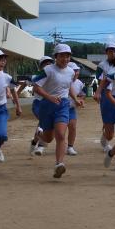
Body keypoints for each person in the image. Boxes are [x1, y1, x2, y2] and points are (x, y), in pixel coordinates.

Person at [31, 43, 80, 178]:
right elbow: (36, 87)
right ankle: (39, 134)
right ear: (56, 57)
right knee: (48, 138)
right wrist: (49, 97)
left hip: (62, 105)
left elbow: (68, 87)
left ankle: (59, 164)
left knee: (60, 134)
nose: (65, 59)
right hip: (46, 105)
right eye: (62, 56)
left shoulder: (70, 72)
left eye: (68, 56)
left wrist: (75, 99)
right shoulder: (48, 70)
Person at [96, 42, 115, 152]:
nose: (113, 53)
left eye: (114, 51)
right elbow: (100, 81)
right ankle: (106, 138)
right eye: (110, 51)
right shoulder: (102, 65)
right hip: (107, 96)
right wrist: (99, 93)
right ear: (106, 52)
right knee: (110, 131)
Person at [30, 56, 54, 156]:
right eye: (45, 63)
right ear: (41, 66)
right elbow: (24, 84)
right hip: (38, 104)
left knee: (42, 124)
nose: (48, 64)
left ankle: (34, 142)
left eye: (50, 62)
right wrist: (17, 94)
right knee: (44, 123)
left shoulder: (54, 76)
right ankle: (40, 146)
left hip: (50, 103)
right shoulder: (35, 76)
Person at [66, 62, 86, 156]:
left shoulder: (79, 83)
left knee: (72, 127)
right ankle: (40, 143)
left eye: (77, 70)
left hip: (71, 109)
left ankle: (70, 147)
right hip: (59, 108)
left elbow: (82, 94)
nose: (76, 73)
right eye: (74, 70)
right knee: (54, 131)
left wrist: (81, 100)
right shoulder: (63, 81)